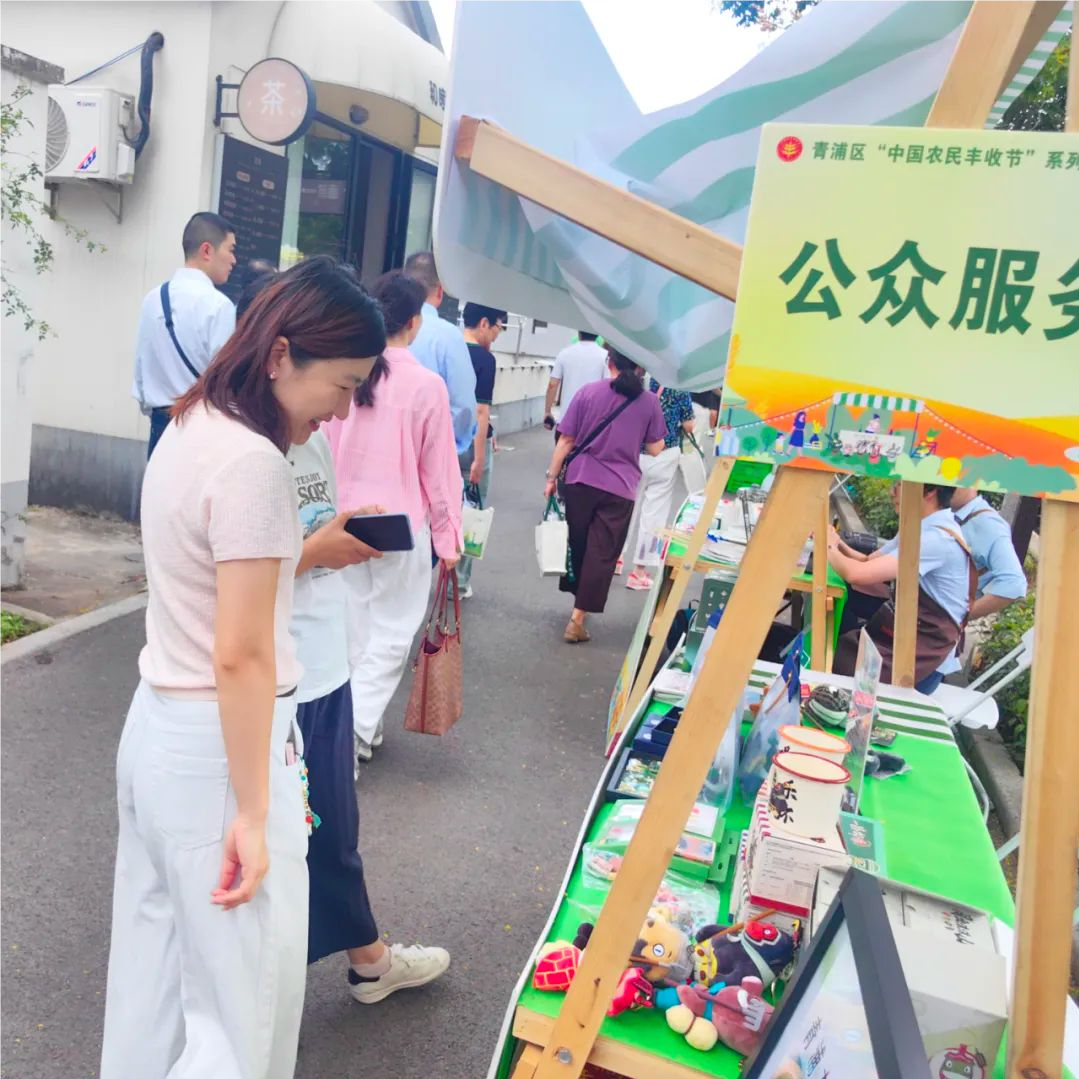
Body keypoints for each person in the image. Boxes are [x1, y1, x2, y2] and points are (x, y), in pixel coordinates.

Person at [102, 256, 385, 1079]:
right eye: (341, 384)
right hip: (220, 753)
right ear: (281, 355)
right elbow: (243, 650)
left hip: (159, 727)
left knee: (153, 986)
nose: (340, 411)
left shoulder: (191, 421)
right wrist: (257, 812)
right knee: (239, 1015)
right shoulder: (255, 463)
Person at [287, 420, 451, 1005]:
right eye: (342, 384)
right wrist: (314, 551)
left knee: (332, 828)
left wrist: (340, 535)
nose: (345, 406)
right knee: (296, 840)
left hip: (324, 661)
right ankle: (361, 962)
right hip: (277, 678)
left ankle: (369, 959)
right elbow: (228, 572)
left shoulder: (312, 437)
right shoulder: (237, 446)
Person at [325, 270, 463, 763]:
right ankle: (353, 734)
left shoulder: (349, 373)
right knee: (391, 631)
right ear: (414, 321)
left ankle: (358, 725)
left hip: (342, 521)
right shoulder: (425, 386)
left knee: (353, 628)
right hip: (400, 525)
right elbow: (439, 472)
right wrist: (448, 539)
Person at [544, 348, 666, 643]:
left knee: (579, 545)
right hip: (620, 488)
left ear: (609, 362)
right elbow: (656, 448)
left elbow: (566, 440)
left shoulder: (588, 392)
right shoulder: (649, 402)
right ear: (640, 368)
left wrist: (551, 477)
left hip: (580, 481)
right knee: (602, 552)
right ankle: (578, 617)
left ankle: (577, 603)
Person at [827, 483, 977, 694]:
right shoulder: (918, 526)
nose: (891, 492)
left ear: (929, 492)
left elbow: (856, 574)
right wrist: (837, 543)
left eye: (899, 486)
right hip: (908, 642)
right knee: (839, 646)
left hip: (922, 664)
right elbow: (868, 561)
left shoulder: (936, 539)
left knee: (837, 660)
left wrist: (826, 544)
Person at [133, 211, 237, 458]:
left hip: (159, 426)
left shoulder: (153, 299)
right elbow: (225, 379)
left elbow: (140, 373)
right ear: (207, 250)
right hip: (201, 427)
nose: (234, 260)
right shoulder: (218, 305)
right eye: (231, 250)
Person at [931, 486, 1028, 688]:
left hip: (934, 640)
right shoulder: (945, 513)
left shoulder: (987, 524)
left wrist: (960, 616)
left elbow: (1013, 583)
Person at [621, 378, 695, 591]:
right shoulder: (680, 388)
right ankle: (639, 571)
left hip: (635, 452)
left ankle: (616, 557)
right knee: (654, 512)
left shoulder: (640, 384)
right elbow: (689, 425)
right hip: (665, 453)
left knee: (626, 506)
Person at [403, 250, 477, 454]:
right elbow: (463, 407)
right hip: (428, 453)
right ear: (440, 291)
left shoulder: (381, 325)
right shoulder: (448, 336)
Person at [458, 301, 507, 599]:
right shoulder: (485, 360)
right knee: (472, 508)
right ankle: (459, 582)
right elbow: (480, 410)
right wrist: (479, 457)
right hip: (470, 445)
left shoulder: (449, 349)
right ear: (485, 323)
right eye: (499, 327)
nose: (498, 335)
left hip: (442, 441)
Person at [544, 331, 608, 441]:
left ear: (579, 334)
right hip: (591, 424)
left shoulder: (564, 353)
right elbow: (608, 387)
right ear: (597, 335)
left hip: (565, 422)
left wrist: (547, 411)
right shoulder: (605, 356)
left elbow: (552, 384)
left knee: (561, 451)